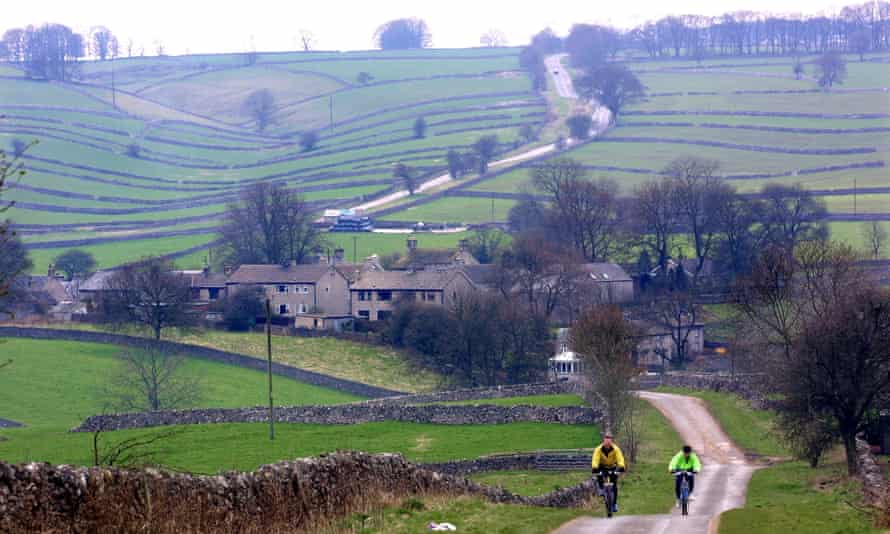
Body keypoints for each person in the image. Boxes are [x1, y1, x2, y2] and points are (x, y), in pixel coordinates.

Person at [591, 432, 626, 513]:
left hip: (612, 467)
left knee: (614, 485)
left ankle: (614, 504)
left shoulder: (616, 449)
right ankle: (601, 488)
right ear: (603, 441)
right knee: (598, 473)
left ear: (611, 442)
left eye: (609, 442)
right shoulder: (598, 449)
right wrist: (594, 467)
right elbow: (595, 459)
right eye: (606, 442)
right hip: (602, 467)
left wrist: (621, 467)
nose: (607, 444)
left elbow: (620, 459)